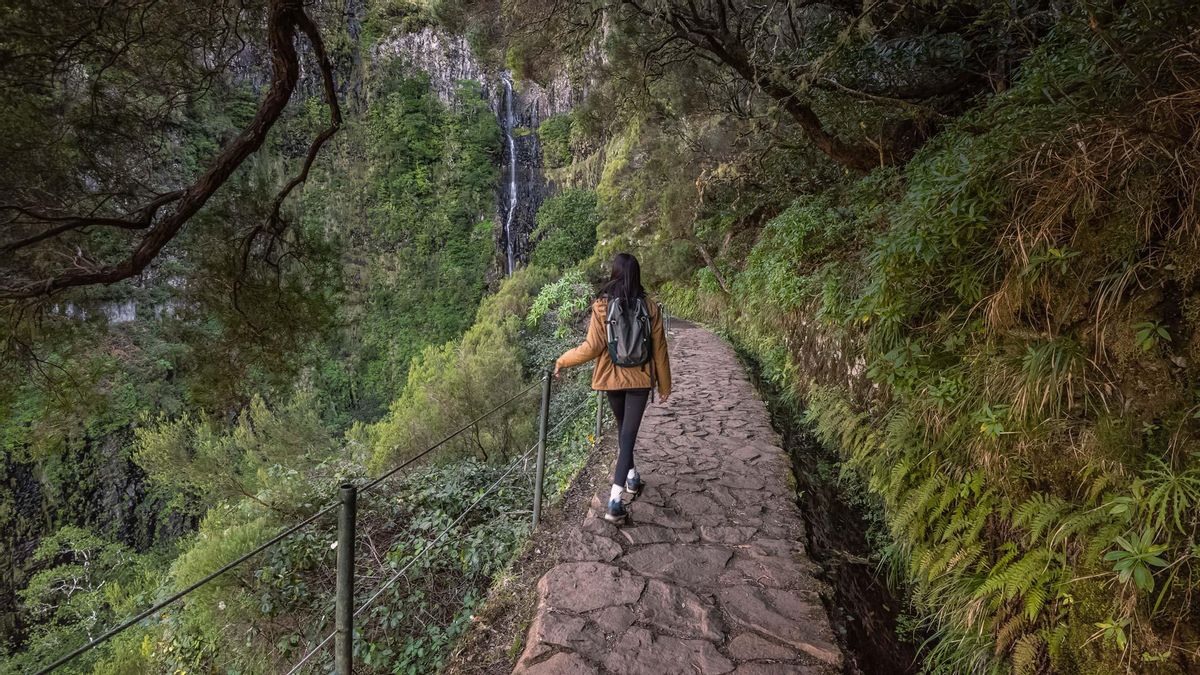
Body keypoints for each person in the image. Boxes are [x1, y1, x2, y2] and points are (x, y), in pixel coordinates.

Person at [554, 253, 672, 523]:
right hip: (640, 380)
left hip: (611, 379)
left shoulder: (601, 307)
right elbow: (660, 350)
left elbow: (592, 348)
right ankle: (616, 498)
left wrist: (562, 359)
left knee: (624, 431)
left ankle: (628, 482)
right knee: (627, 435)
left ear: (614, 273)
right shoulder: (650, 307)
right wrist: (664, 385)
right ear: (637, 275)